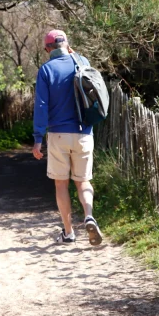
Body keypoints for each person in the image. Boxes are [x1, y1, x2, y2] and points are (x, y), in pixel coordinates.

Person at [32, 29, 103, 246]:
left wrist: (37, 138)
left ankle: (69, 232)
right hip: (84, 133)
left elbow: (41, 106)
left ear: (47, 49)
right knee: (83, 182)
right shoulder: (81, 61)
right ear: (67, 44)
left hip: (58, 134)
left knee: (61, 184)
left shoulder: (46, 69)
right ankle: (89, 215)